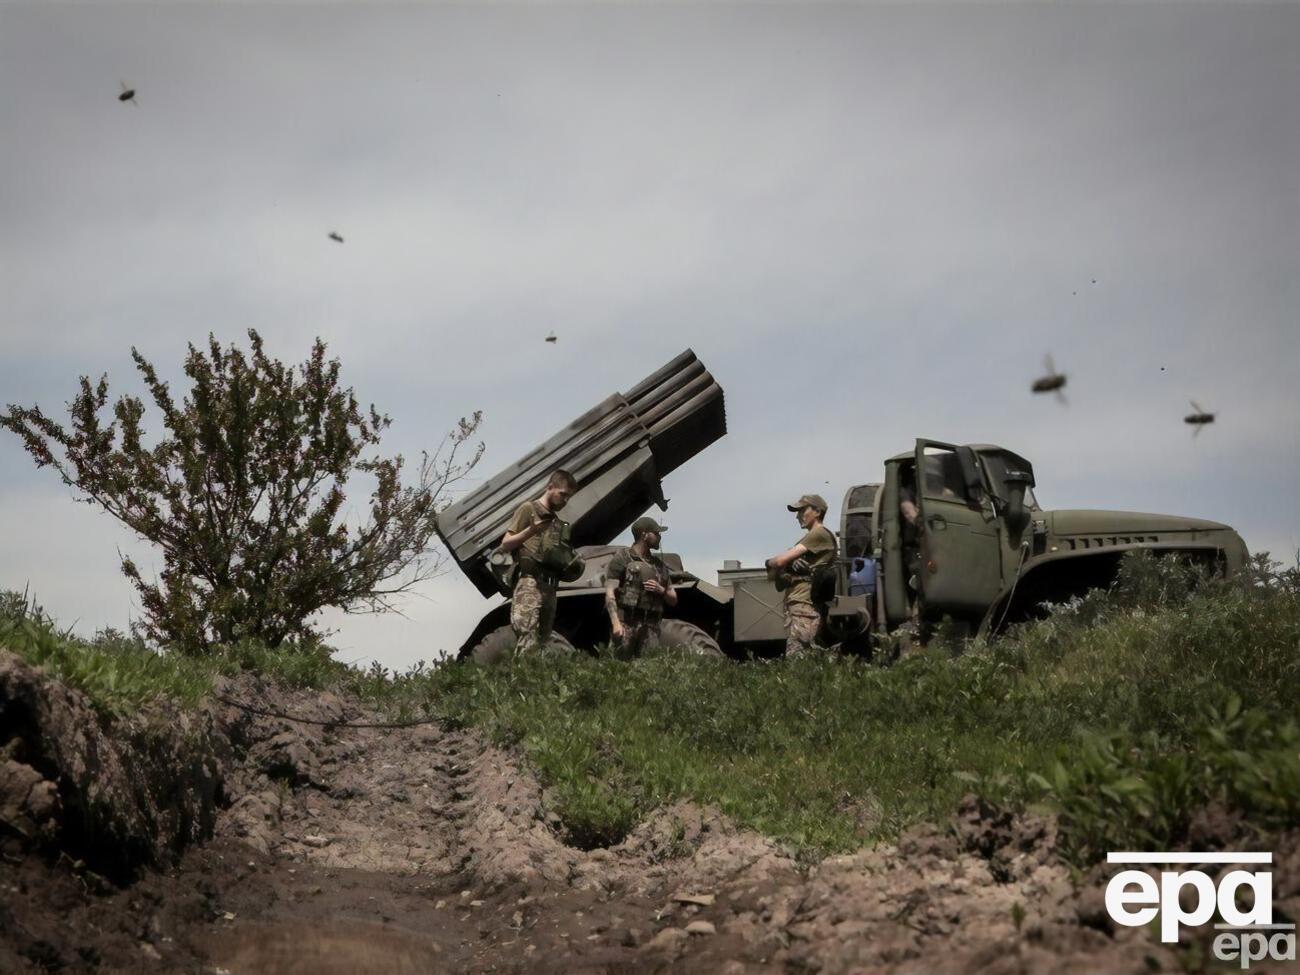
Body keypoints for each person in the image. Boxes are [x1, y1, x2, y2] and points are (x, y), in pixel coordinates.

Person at [497, 469, 578, 655]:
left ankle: (536, 683)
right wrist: (530, 532)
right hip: (529, 584)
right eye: (562, 494)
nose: (564, 501)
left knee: (543, 644)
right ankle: (521, 684)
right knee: (527, 641)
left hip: (549, 587)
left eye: (568, 497)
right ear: (550, 487)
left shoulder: (557, 522)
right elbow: (505, 544)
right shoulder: (529, 509)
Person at [765, 494, 838, 657]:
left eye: (802, 510)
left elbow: (779, 562)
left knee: (798, 658)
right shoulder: (808, 540)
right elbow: (778, 580)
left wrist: (769, 561)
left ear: (817, 511)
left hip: (804, 605)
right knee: (803, 655)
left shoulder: (819, 534)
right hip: (799, 604)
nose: (798, 516)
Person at [605, 515, 677, 656]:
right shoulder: (622, 558)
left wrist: (661, 590)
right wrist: (615, 623)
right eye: (656, 533)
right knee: (619, 668)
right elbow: (609, 593)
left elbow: (673, 599)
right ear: (644, 535)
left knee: (649, 671)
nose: (659, 537)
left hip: (651, 627)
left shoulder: (659, 565)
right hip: (626, 622)